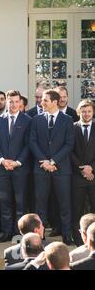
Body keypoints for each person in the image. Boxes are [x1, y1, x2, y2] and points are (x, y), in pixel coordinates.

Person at [29, 89, 74, 245]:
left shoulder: (67, 120)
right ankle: (39, 236)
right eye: (42, 100)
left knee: (64, 203)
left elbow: (69, 144)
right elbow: (32, 142)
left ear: (55, 102)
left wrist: (53, 161)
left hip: (61, 169)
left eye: (45, 100)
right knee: (40, 204)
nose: (42, 102)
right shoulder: (36, 119)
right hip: (41, 168)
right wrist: (44, 161)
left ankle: (67, 235)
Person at [0, 90, 31, 242]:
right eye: (11, 101)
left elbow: (28, 145)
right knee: (5, 202)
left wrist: (17, 162)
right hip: (2, 169)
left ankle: (18, 234)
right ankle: (7, 232)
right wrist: (2, 160)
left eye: (16, 102)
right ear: (7, 102)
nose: (13, 104)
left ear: (20, 103)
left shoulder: (27, 120)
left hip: (20, 169)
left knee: (20, 203)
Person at [71, 100, 95, 245]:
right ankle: (78, 240)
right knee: (77, 209)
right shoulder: (72, 128)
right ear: (79, 112)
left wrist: (91, 168)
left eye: (89, 111)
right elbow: (69, 151)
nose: (86, 114)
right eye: (83, 111)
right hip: (77, 176)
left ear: (93, 112)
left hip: (94, 175)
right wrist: (82, 168)